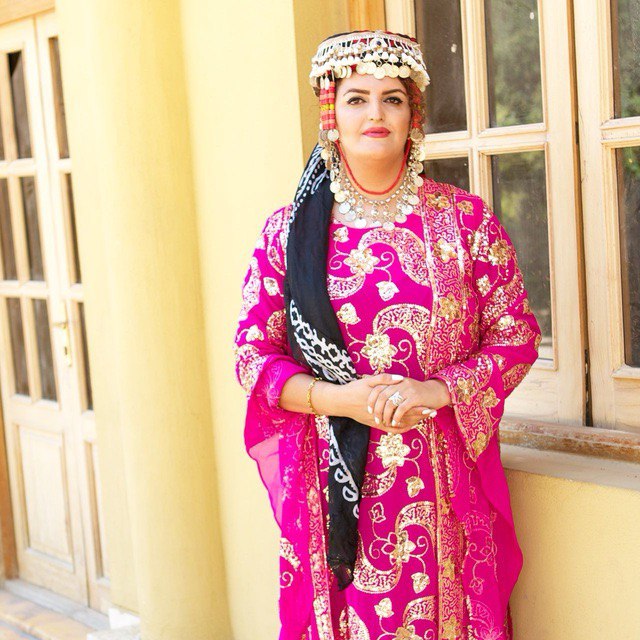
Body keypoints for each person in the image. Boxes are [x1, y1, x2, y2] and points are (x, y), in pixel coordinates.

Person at [234, 29, 541, 640]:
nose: (375, 113)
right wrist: (338, 399)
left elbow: (516, 335)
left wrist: (436, 391)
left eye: (392, 98)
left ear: (413, 115)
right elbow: (252, 358)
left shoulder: (466, 221)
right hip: (333, 485)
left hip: (443, 483)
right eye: (357, 98)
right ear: (331, 114)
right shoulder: (288, 235)